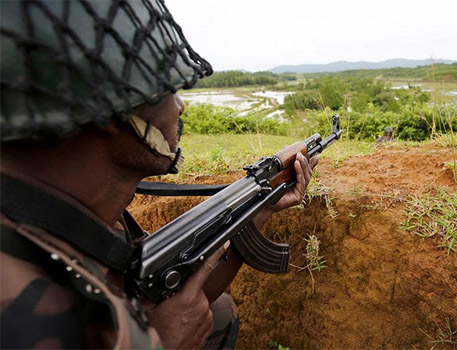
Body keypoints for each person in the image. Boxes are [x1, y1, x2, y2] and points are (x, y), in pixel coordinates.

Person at [0, 1, 317, 348]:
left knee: (219, 314)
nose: (179, 106)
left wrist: (261, 205)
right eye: (166, 90)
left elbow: (165, 294)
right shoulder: (18, 312)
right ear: (110, 110)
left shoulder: (82, 207)